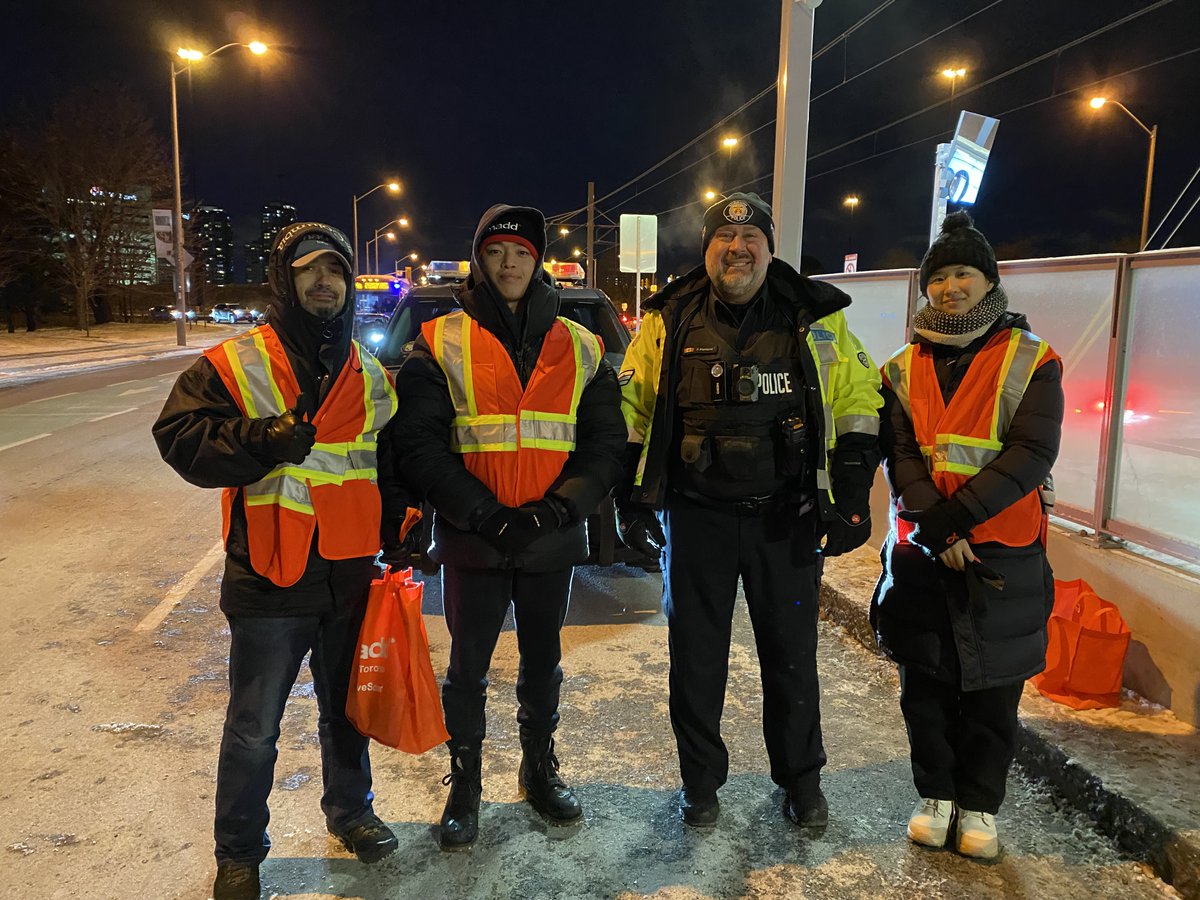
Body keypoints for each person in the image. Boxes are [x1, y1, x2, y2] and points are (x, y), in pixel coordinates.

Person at [616, 192, 884, 829]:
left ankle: (801, 781)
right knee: (695, 660)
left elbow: (857, 400)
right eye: (723, 239)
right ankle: (700, 784)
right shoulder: (667, 321)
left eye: (751, 239)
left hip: (785, 520)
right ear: (706, 249)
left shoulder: (815, 319)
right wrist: (629, 498)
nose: (737, 249)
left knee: (791, 658)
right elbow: (631, 411)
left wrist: (850, 495)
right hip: (696, 520)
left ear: (769, 248)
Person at [154, 223, 403, 900]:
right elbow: (178, 436)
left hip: (348, 570)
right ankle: (238, 853)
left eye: (336, 271)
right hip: (270, 570)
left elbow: (385, 462)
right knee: (254, 727)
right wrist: (261, 438)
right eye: (308, 270)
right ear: (284, 281)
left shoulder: (370, 372)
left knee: (346, 712)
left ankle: (351, 814)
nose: (324, 282)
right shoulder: (237, 362)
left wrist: (403, 525)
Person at [390, 204, 626, 850]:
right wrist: (482, 513)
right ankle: (465, 784)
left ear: (538, 260)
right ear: (479, 261)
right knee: (467, 668)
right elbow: (419, 445)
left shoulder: (582, 345)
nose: (509, 263)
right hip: (474, 538)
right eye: (496, 252)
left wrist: (559, 509)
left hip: (550, 537)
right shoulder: (441, 341)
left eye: (522, 252)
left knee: (543, 662)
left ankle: (538, 769)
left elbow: (605, 445)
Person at [872, 211, 1063, 860]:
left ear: (988, 281)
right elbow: (900, 456)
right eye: (939, 277)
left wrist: (954, 522)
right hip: (924, 551)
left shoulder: (1032, 359)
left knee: (993, 693)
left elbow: (1032, 453)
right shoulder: (901, 367)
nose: (950, 287)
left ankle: (979, 805)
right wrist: (935, 528)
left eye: (963, 274)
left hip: (999, 552)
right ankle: (936, 796)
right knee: (924, 686)